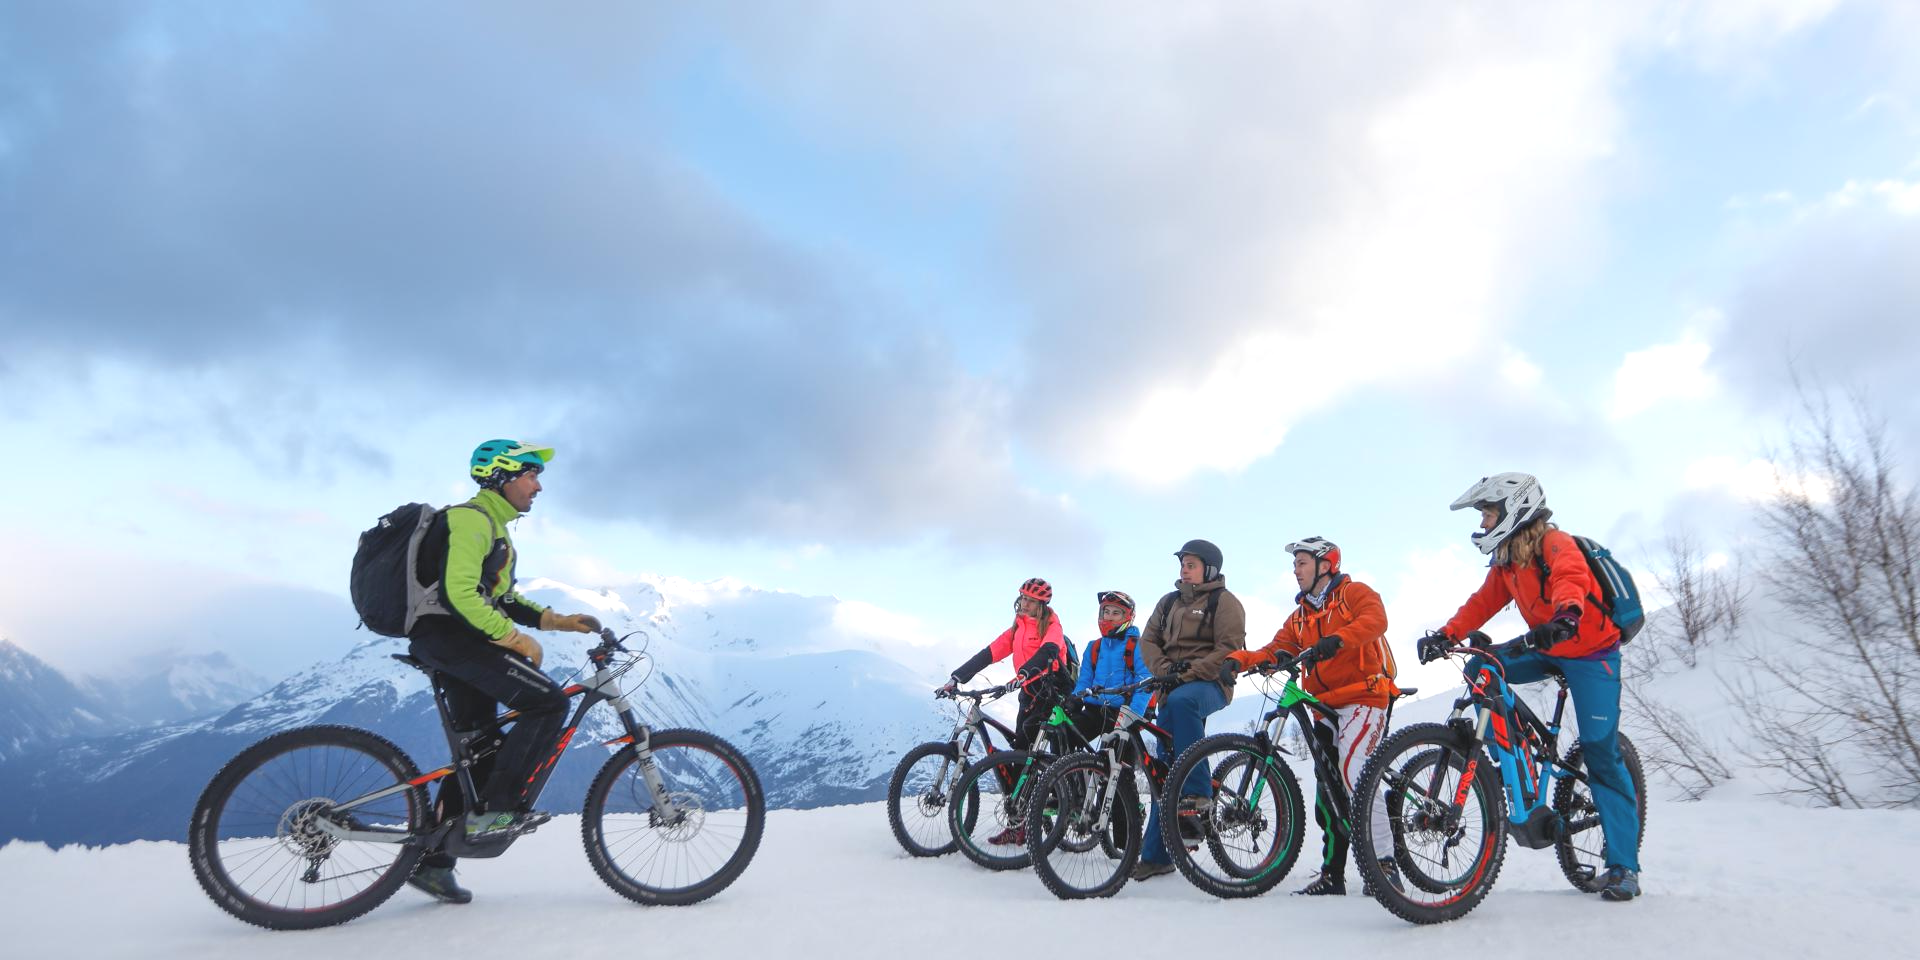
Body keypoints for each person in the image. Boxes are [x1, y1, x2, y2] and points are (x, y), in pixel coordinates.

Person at [1416, 473, 1643, 902]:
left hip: (1591, 652)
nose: (1483, 523)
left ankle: (1623, 866)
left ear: (1513, 510)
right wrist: (1447, 634)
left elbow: (1570, 578)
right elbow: (1481, 604)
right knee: (1484, 667)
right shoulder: (1507, 563)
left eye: (1487, 513)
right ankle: (1515, 756)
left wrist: (1566, 615)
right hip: (1547, 646)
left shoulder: (1554, 546)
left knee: (1601, 754)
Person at [403, 440, 607, 904]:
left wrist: (554, 621)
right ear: (500, 475)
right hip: (451, 639)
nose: (538, 485)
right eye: (530, 474)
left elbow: (501, 599)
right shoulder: (471, 520)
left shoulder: (493, 526)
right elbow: (460, 594)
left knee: (479, 748)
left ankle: (433, 864)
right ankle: (495, 813)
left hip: (454, 640)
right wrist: (515, 639)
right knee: (550, 702)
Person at [1228, 537, 1397, 895]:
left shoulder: (1353, 593)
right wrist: (1240, 661)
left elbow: (1376, 620)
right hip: (1324, 707)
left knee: (1355, 775)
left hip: (1364, 696)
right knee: (1327, 793)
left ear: (1326, 564)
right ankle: (1333, 874)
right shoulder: (1301, 614)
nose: (1295, 570)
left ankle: (1385, 864)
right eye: (1294, 565)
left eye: (1302, 563)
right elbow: (1277, 649)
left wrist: (1337, 639)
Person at [1131, 539, 1247, 880]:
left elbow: (1228, 649)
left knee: (1184, 704)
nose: (1184, 568)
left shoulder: (1224, 603)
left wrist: (1188, 674)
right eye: (1183, 563)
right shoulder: (1167, 603)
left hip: (1210, 684)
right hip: (1171, 687)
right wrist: (1165, 669)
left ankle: (1197, 793)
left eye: (1192, 564)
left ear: (1209, 569)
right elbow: (1148, 642)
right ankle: (1155, 855)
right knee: (1162, 772)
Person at [936, 578, 1072, 845]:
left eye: (1031, 600)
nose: (1024, 603)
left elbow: (1048, 653)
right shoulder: (1017, 628)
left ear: (1042, 605)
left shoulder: (1052, 626)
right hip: (1027, 693)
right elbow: (989, 653)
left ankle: (1026, 817)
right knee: (1017, 754)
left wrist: (1022, 675)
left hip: (1048, 693)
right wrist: (956, 678)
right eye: (1022, 597)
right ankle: (1019, 821)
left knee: (1023, 754)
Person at [1067, 590, 1154, 740]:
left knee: (1118, 757)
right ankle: (1072, 764)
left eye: (1115, 613)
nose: (1109, 617)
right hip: (1095, 709)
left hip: (1125, 711)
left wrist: (1133, 716)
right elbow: (1085, 680)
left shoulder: (1138, 647)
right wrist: (1074, 699)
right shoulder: (1094, 647)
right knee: (1064, 734)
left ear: (1127, 617)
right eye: (1106, 612)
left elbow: (1145, 683)